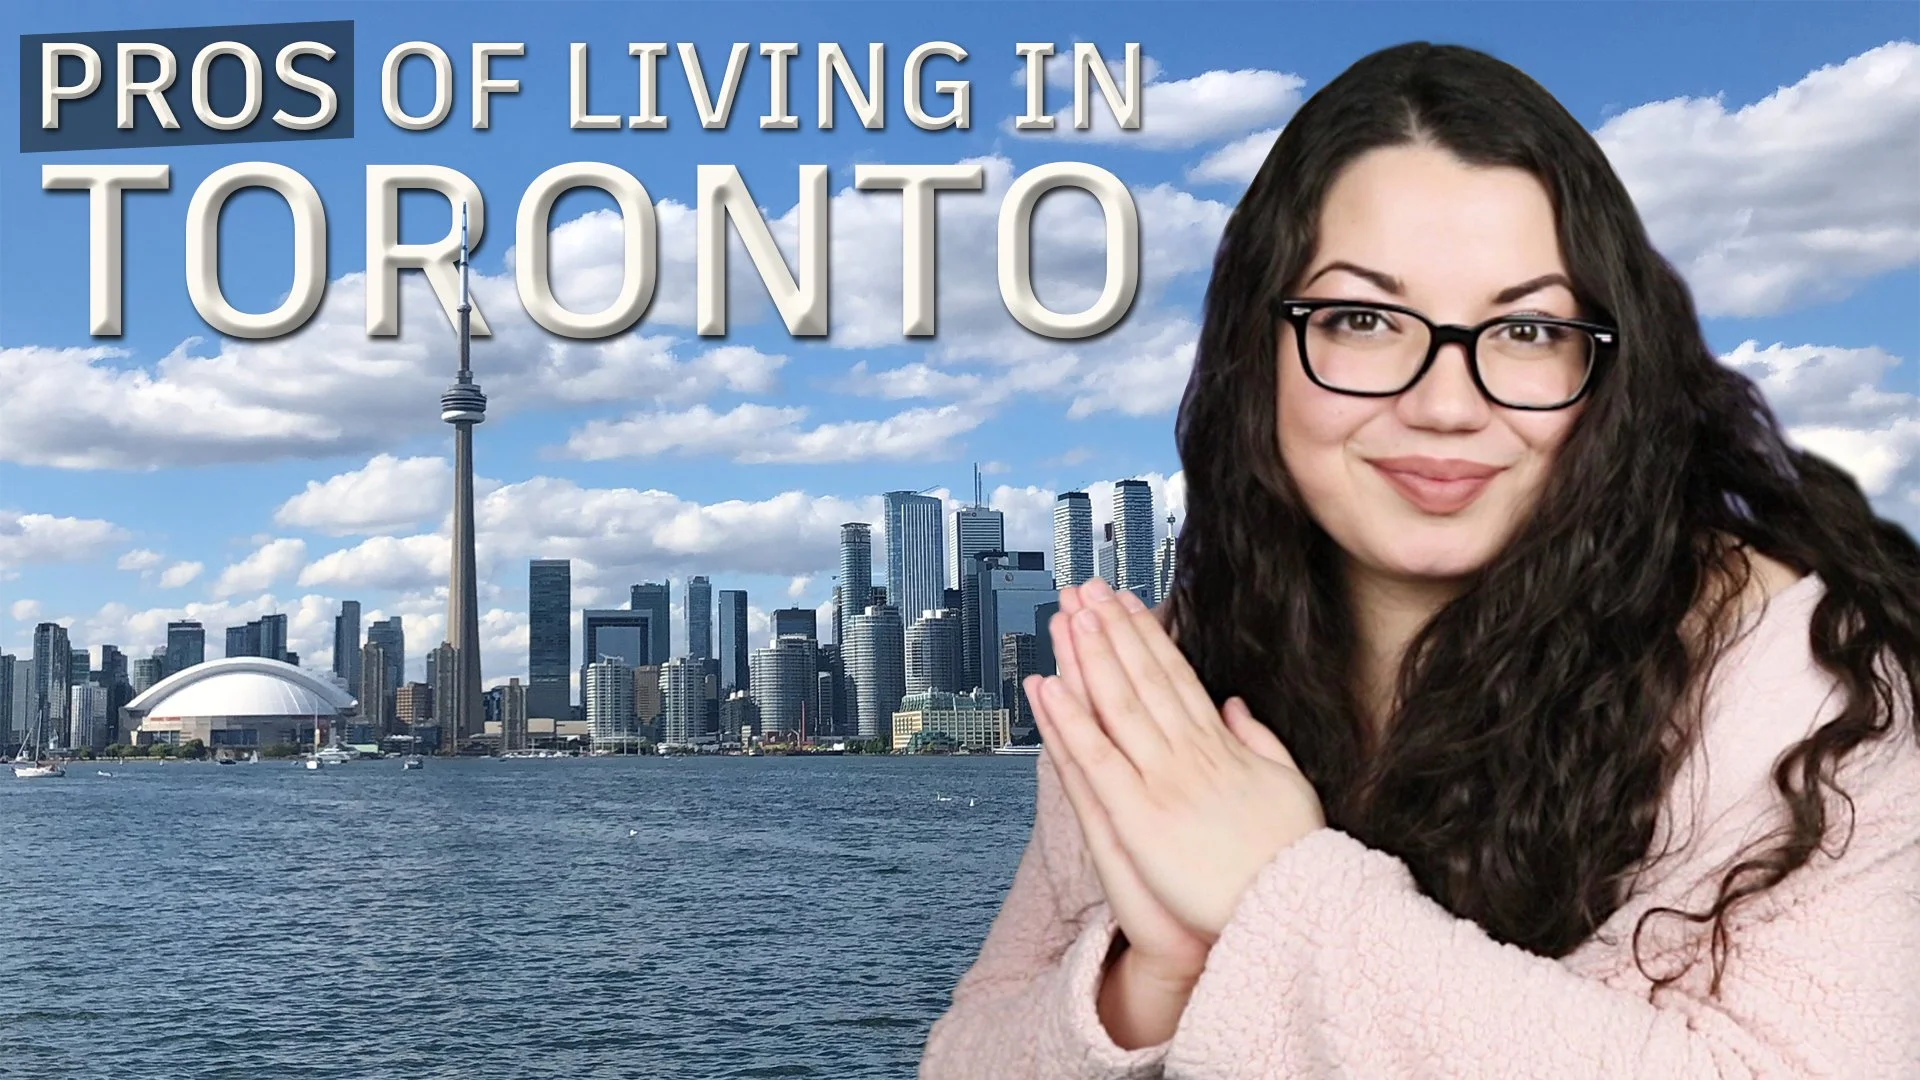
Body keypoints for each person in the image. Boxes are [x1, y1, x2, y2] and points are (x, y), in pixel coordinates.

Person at [919, 41, 1919, 1079]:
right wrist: (1155, 976)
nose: (1446, 405)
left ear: (1610, 368)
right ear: (1256, 352)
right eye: (1362, 320)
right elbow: (966, 1058)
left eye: (1527, 329)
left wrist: (1276, 892)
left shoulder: (1814, 697)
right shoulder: (1166, 687)